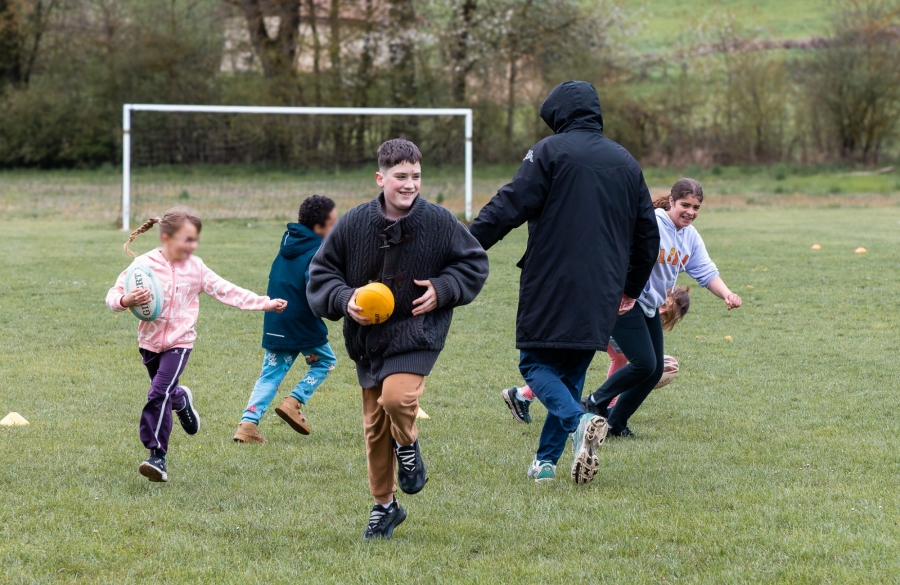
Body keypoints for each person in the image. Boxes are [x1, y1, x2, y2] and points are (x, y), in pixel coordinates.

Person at [469, 80, 660, 485]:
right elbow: (648, 233)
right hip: (604, 288)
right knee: (571, 373)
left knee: (534, 363)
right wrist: (631, 286)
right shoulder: (627, 161)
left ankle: (579, 421)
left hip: (551, 280)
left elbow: (508, 205)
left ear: (559, 115)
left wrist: (464, 245)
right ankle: (545, 463)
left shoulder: (550, 151)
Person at [307, 139, 488, 540]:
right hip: (368, 340)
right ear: (381, 178)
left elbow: (474, 262)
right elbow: (321, 274)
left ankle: (408, 444)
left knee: (397, 399)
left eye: (416, 176)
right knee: (374, 428)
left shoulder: (440, 221)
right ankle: (384, 506)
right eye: (401, 176)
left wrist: (443, 288)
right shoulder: (353, 223)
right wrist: (344, 298)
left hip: (418, 332)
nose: (409, 184)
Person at [106, 208, 287, 483]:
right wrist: (125, 300)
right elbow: (114, 294)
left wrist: (266, 303)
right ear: (166, 238)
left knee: (158, 393)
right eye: (187, 239)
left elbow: (227, 290)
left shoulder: (196, 268)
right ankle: (182, 400)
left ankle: (157, 457)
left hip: (180, 343)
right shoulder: (142, 265)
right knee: (166, 392)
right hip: (149, 342)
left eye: (195, 239)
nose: (192, 245)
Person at [581, 178, 742, 437]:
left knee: (654, 370)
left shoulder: (689, 236)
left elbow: (705, 271)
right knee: (644, 363)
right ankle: (593, 402)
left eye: (696, 207)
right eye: (685, 205)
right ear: (671, 201)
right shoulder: (651, 223)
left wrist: (727, 294)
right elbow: (613, 249)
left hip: (650, 304)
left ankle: (615, 424)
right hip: (624, 300)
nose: (690, 212)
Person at [502, 286, 691, 428]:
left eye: (665, 316)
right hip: (598, 312)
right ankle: (522, 395)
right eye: (663, 306)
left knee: (617, 357)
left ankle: (604, 404)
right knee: (572, 361)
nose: (661, 312)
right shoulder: (648, 291)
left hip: (603, 314)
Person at [233, 195, 339, 444]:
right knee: (325, 362)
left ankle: (247, 426)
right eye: (333, 222)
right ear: (319, 226)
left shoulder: (288, 244)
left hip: (276, 320)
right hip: (301, 321)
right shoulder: (318, 251)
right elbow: (316, 288)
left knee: (270, 375)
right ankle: (294, 401)